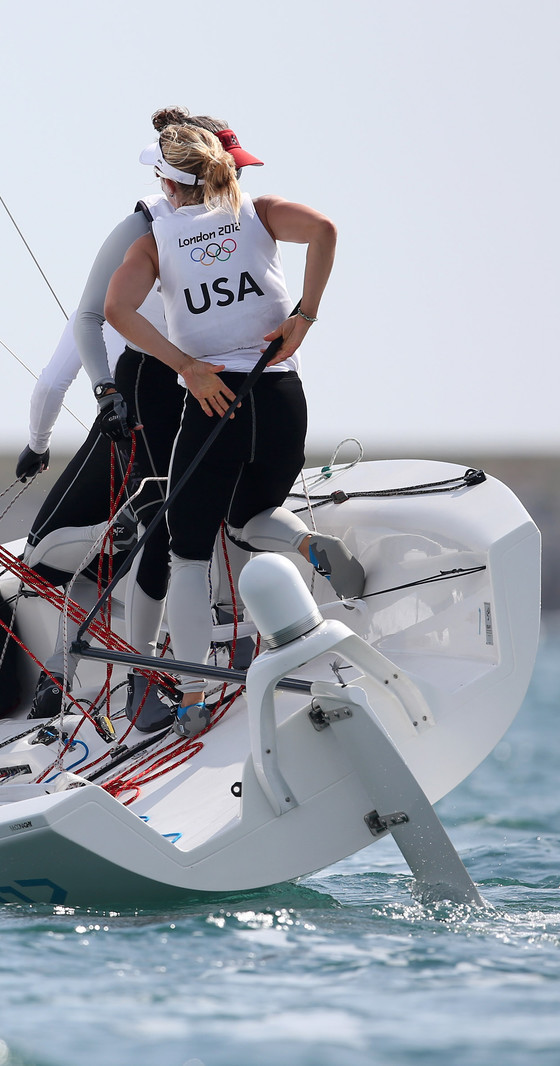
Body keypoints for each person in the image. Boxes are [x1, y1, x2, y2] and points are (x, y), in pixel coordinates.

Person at [104, 122, 364, 737]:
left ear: (167, 181)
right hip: (280, 393)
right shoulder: (261, 210)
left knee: (187, 555)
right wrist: (305, 313)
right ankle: (305, 543)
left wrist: (186, 366)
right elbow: (326, 230)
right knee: (251, 518)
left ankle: (192, 697)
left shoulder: (155, 240)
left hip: (214, 400)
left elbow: (116, 310)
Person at [19, 109, 264, 725]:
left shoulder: (142, 237)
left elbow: (57, 372)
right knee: (183, 525)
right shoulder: (240, 232)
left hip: (145, 399)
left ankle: (78, 675)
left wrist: (39, 443)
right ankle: (206, 637)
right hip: (222, 396)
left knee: (57, 549)